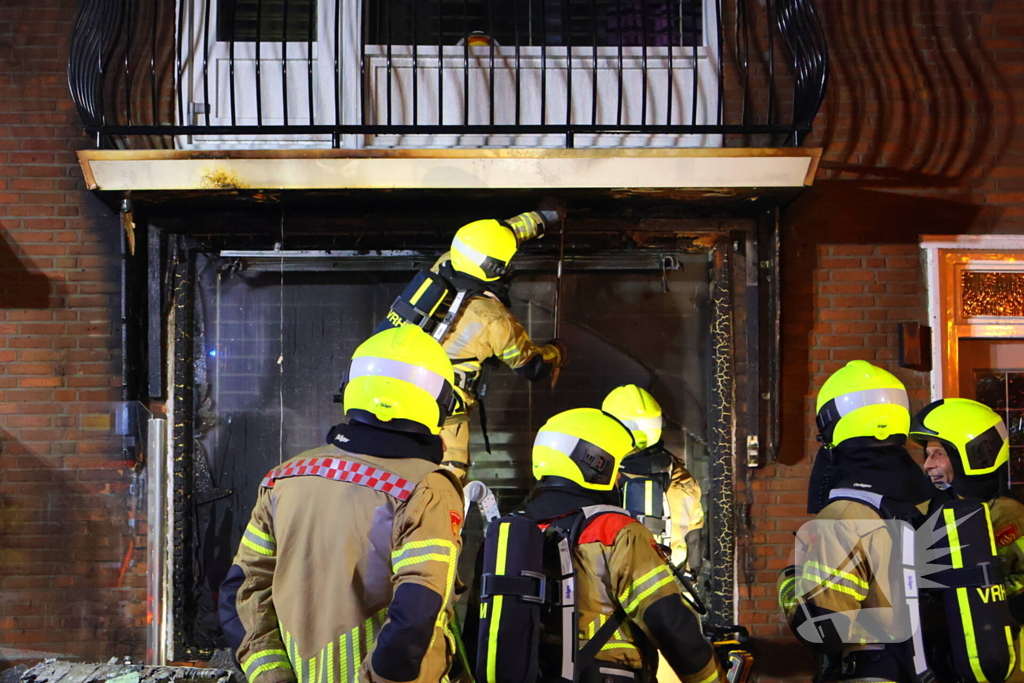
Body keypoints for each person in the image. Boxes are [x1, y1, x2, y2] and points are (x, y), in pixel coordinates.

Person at [219, 325, 465, 683]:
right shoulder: (426, 488)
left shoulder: (285, 477)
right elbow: (418, 609)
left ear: (350, 387)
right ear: (441, 402)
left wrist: (271, 676)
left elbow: (241, 591)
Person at [522, 408, 724, 683]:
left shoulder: (512, 532)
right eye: (615, 466)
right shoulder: (615, 531)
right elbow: (667, 620)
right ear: (594, 463)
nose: (618, 477)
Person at [777, 360, 937, 682]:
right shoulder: (933, 500)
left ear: (832, 428)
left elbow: (823, 631)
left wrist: (790, 576)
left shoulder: (845, 515)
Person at [433, 210, 567, 480]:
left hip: (394, 388)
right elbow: (532, 367)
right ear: (495, 268)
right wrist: (557, 351)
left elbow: (501, 234)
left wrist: (544, 215)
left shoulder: (446, 263)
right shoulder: (493, 319)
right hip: (443, 414)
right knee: (446, 482)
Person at [911, 398, 1024, 679]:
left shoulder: (1009, 515)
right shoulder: (929, 513)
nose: (927, 464)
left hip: (1005, 654)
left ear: (970, 454)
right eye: (927, 454)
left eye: (938, 454)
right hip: (950, 655)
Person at [602, 385, 705, 571]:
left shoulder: (604, 478)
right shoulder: (683, 479)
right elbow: (695, 537)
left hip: (619, 585)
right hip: (674, 584)